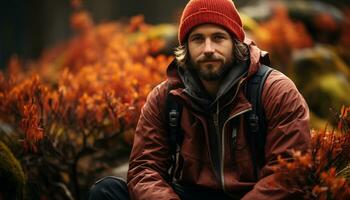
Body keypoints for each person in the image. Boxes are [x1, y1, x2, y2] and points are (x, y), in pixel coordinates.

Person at [88, 0, 311, 199]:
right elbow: (144, 169)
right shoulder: (165, 97)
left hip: (251, 193)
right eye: (197, 39)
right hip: (188, 194)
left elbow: (287, 173)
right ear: (185, 47)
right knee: (107, 191)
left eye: (218, 38)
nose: (208, 49)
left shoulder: (275, 91)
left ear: (236, 43)